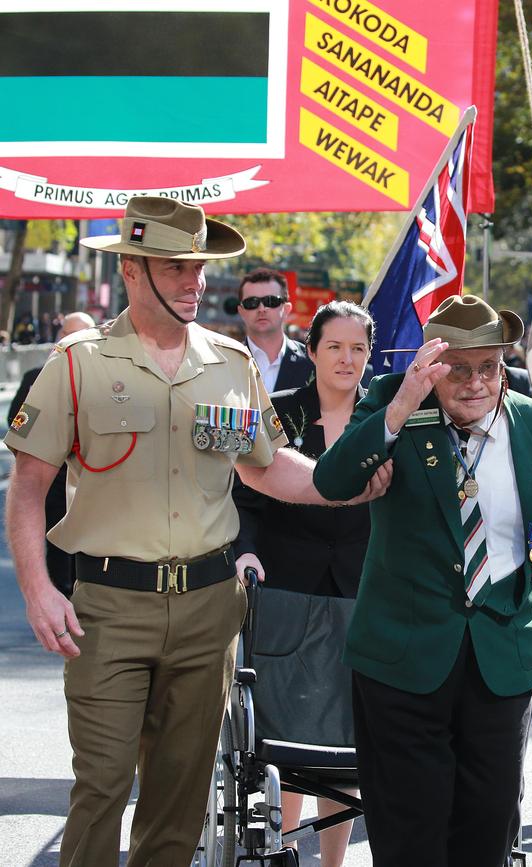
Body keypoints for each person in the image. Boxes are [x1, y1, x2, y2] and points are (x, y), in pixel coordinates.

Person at [4, 196, 390, 867]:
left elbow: (271, 471)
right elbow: (28, 488)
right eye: (177, 266)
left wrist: (347, 482)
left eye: (200, 267)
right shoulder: (79, 362)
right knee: (102, 782)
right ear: (131, 268)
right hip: (110, 606)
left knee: (179, 795)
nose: (195, 281)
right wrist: (39, 590)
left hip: (209, 608)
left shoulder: (230, 364)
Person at [313, 293, 532, 867]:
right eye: (458, 369)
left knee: (489, 827)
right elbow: (333, 479)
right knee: (409, 833)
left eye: (488, 367)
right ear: (431, 365)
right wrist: (400, 406)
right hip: (403, 658)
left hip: (503, 657)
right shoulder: (396, 409)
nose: (475, 383)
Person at [234, 300, 374, 867]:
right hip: (286, 583)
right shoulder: (278, 414)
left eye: (358, 348)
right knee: (291, 724)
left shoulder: (385, 419)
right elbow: (244, 495)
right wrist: (244, 551)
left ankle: (333, 861)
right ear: (310, 350)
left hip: (364, 584)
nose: (346, 359)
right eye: (334, 346)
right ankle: (282, 847)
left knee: (348, 729)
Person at [7, 311, 96, 598]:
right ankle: (59, 594)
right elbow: (16, 423)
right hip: (54, 477)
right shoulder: (37, 377)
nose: (71, 340)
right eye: (65, 333)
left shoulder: (104, 381)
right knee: (56, 545)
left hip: (92, 482)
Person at [238, 267, 315, 392]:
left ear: (286, 309)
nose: (262, 308)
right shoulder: (227, 362)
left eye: (271, 301)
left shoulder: (312, 363)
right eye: (252, 302)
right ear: (241, 311)